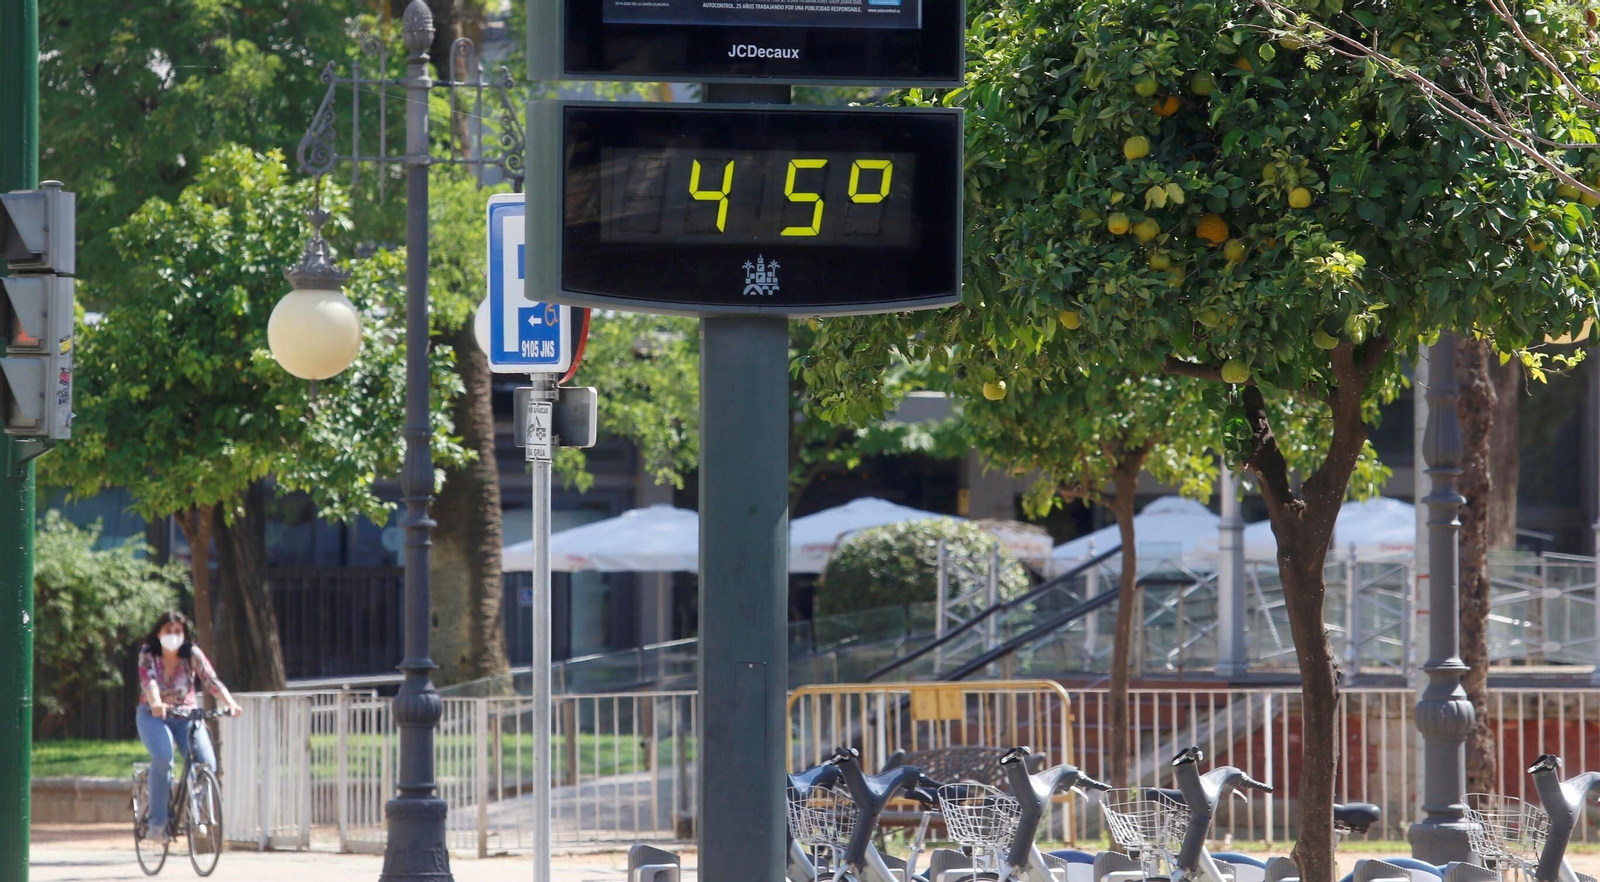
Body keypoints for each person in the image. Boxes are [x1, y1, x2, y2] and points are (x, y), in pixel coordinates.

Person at [135, 610, 243, 841]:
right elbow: (149, 681)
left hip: (186, 716)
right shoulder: (148, 653)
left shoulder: (192, 654)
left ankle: (195, 812)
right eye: (168, 631)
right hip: (153, 716)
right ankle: (157, 823)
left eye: (178, 631)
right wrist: (156, 703)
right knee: (163, 757)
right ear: (158, 633)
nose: (173, 636)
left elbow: (210, 680)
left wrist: (230, 703)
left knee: (206, 762)